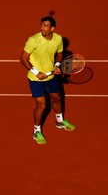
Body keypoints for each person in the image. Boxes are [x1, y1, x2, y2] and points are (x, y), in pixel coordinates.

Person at [20, 16, 76, 145]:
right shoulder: (33, 40)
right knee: (42, 105)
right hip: (35, 79)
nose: (42, 28)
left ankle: (59, 121)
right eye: (41, 25)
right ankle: (36, 131)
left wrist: (57, 65)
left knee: (56, 98)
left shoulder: (57, 39)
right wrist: (36, 72)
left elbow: (60, 53)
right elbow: (23, 58)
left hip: (51, 77)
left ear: (52, 28)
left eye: (45, 26)